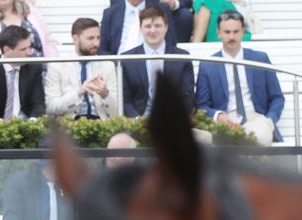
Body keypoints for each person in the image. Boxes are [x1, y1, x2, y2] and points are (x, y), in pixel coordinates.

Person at [195, 9, 282, 146]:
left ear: (243, 32)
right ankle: (231, 139)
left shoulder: (259, 59)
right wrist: (218, 116)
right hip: (225, 122)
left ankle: (234, 140)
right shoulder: (208, 65)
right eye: (227, 32)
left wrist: (269, 120)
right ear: (218, 33)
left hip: (256, 120)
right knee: (196, 136)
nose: (231, 37)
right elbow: (202, 106)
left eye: (236, 31)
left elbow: (277, 97)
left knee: (261, 134)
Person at [0, 0, 58, 95]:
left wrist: (53, 72)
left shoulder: (32, 11)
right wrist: (3, 74)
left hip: (39, 83)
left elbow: (49, 43)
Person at [121, 6, 193, 118]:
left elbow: (187, 96)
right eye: (148, 26)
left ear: (166, 27)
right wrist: (136, 119)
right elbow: (125, 99)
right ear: (140, 28)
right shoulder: (127, 59)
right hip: (138, 121)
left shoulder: (182, 57)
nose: (152, 30)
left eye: (158, 26)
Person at [44, 17, 118, 119]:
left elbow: (117, 111)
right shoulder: (57, 65)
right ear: (75, 39)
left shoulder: (107, 65)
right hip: (69, 124)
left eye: (98, 38)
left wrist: (105, 94)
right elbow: (51, 108)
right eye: (90, 38)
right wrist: (79, 92)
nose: (96, 43)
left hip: (100, 124)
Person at [98, 0, 192, 57]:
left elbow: (170, 42)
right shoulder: (110, 13)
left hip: (150, 63)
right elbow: (103, 49)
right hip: (118, 67)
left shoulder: (161, 9)